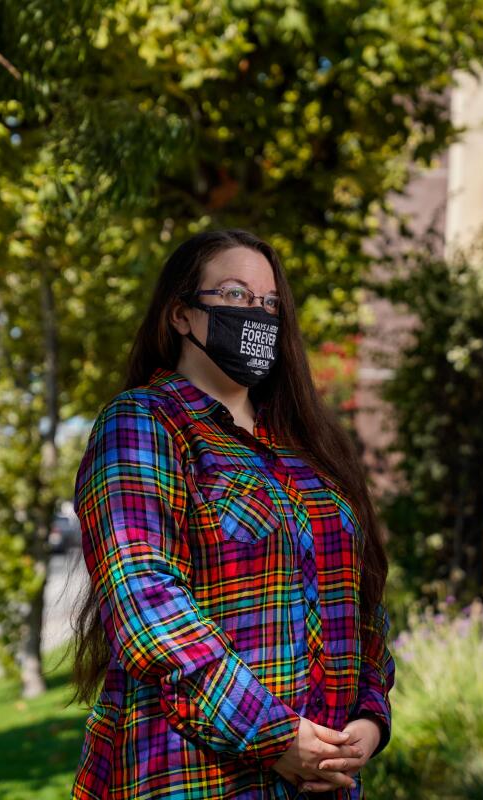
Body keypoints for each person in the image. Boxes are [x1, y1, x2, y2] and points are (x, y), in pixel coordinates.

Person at [69, 229, 396, 799]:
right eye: (236, 295)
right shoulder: (144, 423)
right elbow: (147, 602)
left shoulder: (309, 446)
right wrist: (273, 735)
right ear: (180, 315)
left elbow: (362, 600)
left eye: (270, 303)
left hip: (325, 782)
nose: (259, 314)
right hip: (193, 777)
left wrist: (369, 718)